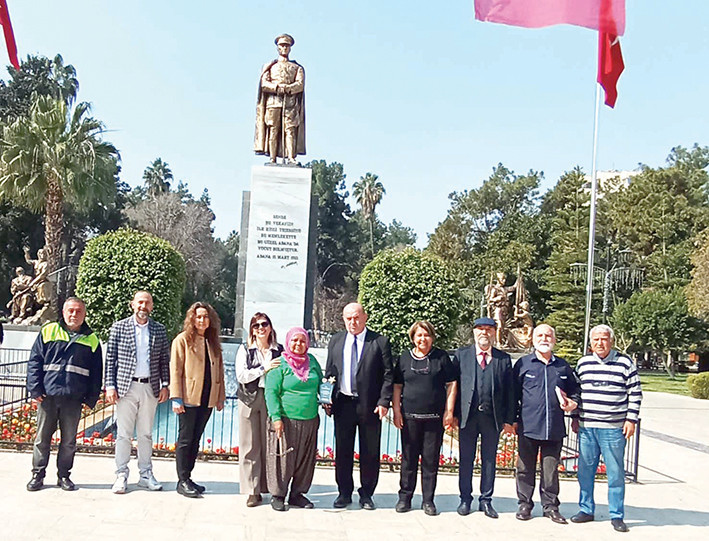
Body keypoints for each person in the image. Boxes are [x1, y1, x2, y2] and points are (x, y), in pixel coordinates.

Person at [26, 297, 103, 491]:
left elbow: (96, 372)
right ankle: (38, 475)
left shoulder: (92, 339)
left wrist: (91, 398)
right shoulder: (48, 331)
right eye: (70, 310)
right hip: (48, 396)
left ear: (84, 314)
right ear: (63, 312)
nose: (74, 315)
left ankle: (64, 476)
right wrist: (35, 388)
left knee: (68, 441)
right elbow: (35, 361)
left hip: (73, 398)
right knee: (42, 439)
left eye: (78, 311)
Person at [571, 324, 642, 533]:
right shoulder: (583, 364)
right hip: (587, 428)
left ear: (611, 341)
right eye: (595, 340)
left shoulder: (624, 363)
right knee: (585, 472)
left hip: (613, 429)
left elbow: (635, 393)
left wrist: (631, 420)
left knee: (615, 473)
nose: (599, 343)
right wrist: (575, 417)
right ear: (590, 343)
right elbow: (577, 393)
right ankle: (586, 509)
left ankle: (617, 515)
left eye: (603, 339)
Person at [324, 302, 393, 510]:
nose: (352, 322)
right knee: (343, 450)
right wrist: (327, 399)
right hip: (343, 404)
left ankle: (366, 494)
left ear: (365, 317)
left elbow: (388, 374)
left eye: (356, 317)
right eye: (348, 318)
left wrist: (384, 401)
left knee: (370, 451)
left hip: (370, 406)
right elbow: (330, 372)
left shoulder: (379, 342)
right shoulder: (336, 341)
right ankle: (344, 492)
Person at [513, 324, 580, 524]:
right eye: (540, 335)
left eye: (548, 335)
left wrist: (573, 403)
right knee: (525, 468)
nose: (544, 338)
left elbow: (575, 390)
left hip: (554, 428)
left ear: (554, 339)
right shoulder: (523, 364)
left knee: (550, 470)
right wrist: (512, 420)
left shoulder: (563, 366)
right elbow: (512, 395)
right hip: (528, 426)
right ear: (533, 339)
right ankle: (525, 504)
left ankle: (550, 506)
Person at [104, 291, 170, 494]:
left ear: (151, 306)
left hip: (150, 387)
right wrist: (110, 385)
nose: (143, 306)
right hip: (126, 387)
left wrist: (166, 384)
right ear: (132, 304)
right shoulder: (119, 327)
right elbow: (111, 358)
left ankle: (145, 474)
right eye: (140, 302)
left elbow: (163, 360)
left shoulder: (159, 330)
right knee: (123, 434)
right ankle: (121, 475)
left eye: (147, 303)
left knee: (145, 434)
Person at [392, 321, 457, 516]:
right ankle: (405, 497)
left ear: (432, 337)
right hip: (409, 418)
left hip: (433, 419)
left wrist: (449, 411)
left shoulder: (441, 357)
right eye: (419, 335)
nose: (423, 339)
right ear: (413, 337)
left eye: (426, 335)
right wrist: (396, 411)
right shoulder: (404, 358)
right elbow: (397, 386)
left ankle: (428, 500)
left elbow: (451, 384)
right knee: (408, 460)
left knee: (430, 461)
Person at [453, 316, 515, 518]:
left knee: (489, 460)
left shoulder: (503, 359)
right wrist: (452, 414)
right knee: (466, 459)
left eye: (489, 329)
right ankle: (465, 499)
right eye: (480, 329)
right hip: (467, 417)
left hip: (492, 417)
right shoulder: (462, 355)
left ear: (494, 333)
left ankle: (486, 500)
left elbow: (510, 392)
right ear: (474, 332)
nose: (484, 333)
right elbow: (453, 387)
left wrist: (509, 419)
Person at [169, 302, 226, 498]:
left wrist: (220, 397)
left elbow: (220, 372)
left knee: (196, 439)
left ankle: (188, 477)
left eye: (205, 317)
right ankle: (182, 480)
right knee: (185, 439)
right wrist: (176, 397)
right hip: (189, 398)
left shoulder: (212, 342)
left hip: (207, 398)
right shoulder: (182, 340)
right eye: (198, 316)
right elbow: (175, 369)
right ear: (192, 319)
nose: (202, 320)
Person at [264, 327, 322, 511]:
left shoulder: (312, 362)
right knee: (283, 458)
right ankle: (278, 495)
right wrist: (276, 417)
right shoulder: (279, 364)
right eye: (295, 340)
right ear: (288, 342)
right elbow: (271, 392)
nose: (298, 344)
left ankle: (297, 494)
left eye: (302, 341)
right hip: (285, 419)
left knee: (305, 459)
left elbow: (321, 383)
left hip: (310, 419)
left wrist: (328, 398)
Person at [236, 312, 283, 507]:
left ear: (270, 327)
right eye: (256, 325)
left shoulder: (279, 350)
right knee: (249, 445)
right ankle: (252, 491)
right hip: (249, 399)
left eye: (264, 324)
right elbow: (241, 376)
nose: (261, 328)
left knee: (271, 445)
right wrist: (264, 368)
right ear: (252, 330)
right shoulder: (245, 349)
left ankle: (272, 488)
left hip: (271, 398)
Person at [254, 33, 306, 164]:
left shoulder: (297, 68)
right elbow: (264, 84)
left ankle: (291, 157)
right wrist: (277, 87)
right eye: (282, 45)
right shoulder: (270, 66)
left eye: (287, 45)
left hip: (290, 103)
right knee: (273, 130)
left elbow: (300, 85)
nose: (284, 48)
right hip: (273, 103)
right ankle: (272, 158)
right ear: (277, 47)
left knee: (290, 131)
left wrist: (288, 88)